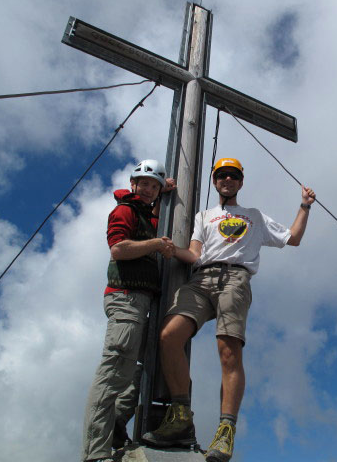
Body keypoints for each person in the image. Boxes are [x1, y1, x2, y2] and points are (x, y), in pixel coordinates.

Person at [142, 158, 316, 462]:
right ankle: (181, 416)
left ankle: (226, 430)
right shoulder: (204, 216)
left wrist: (305, 206)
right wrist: (170, 250)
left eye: (233, 176)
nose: (227, 180)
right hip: (201, 277)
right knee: (169, 336)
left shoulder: (254, 216)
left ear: (240, 182)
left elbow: (294, 238)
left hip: (235, 279)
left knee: (228, 351)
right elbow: (194, 253)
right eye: (221, 175)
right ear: (215, 181)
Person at [81, 159, 177, 462]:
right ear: (133, 184)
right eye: (144, 183)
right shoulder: (124, 210)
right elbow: (118, 249)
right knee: (113, 373)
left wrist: (165, 193)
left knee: (137, 371)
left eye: (153, 185)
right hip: (125, 299)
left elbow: (153, 219)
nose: (148, 189)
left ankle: (115, 429)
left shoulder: (146, 214)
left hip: (142, 303)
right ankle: (95, 453)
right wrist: (156, 245)